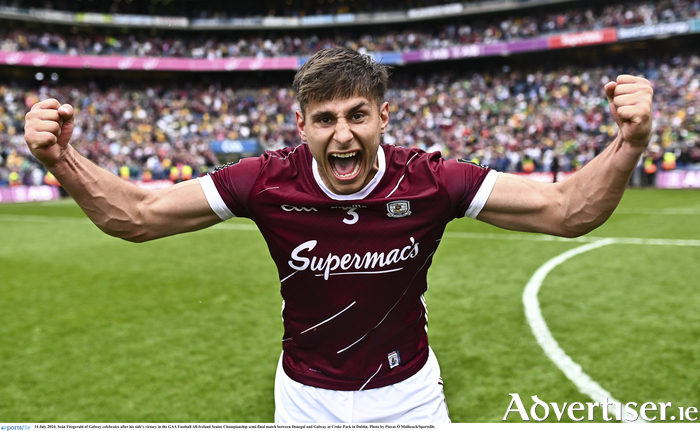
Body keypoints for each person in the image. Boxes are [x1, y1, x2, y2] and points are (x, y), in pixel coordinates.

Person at [23, 47, 653, 423]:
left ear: (384, 116)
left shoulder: (431, 179)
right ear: (300, 124)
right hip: (304, 401)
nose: (342, 135)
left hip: (408, 398)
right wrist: (61, 160)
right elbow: (137, 214)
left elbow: (568, 209)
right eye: (324, 119)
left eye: (357, 115)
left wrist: (629, 143)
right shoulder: (265, 181)